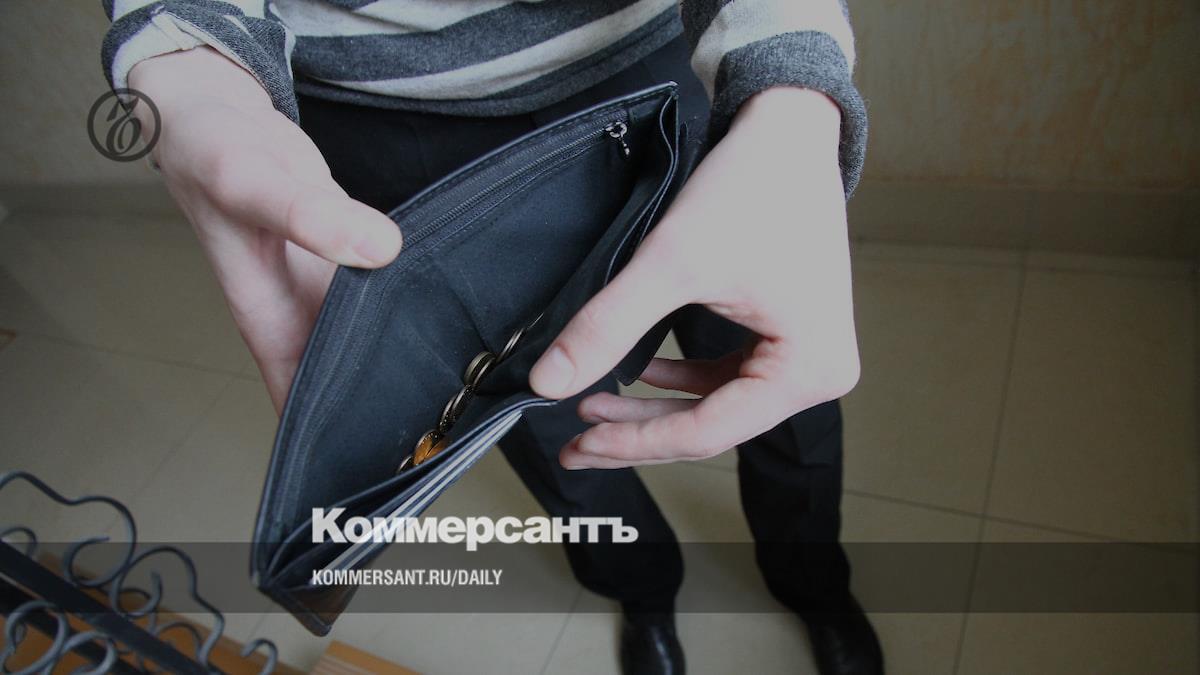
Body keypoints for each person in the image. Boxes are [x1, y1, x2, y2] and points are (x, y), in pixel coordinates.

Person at [101, 1, 879, 673]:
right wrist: (188, 64)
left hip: (667, 52)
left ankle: (813, 581)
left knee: (780, 383)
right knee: (541, 427)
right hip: (392, 119)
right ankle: (641, 587)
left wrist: (790, 81)